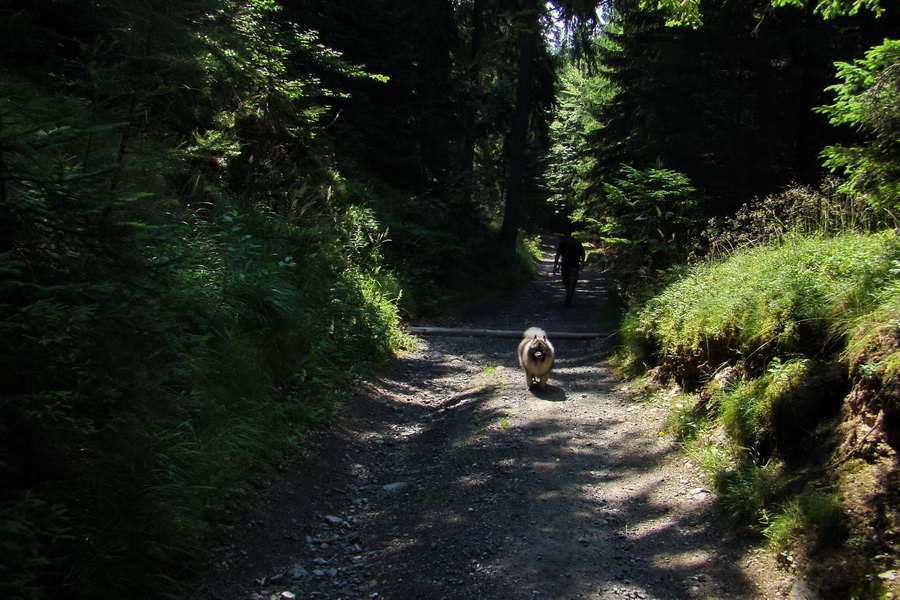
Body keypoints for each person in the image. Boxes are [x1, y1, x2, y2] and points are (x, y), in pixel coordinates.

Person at [553, 235, 585, 307]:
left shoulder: (564, 243)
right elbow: (583, 254)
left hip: (566, 265)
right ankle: (569, 298)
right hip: (573, 265)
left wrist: (555, 266)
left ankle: (568, 298)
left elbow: (558, 255)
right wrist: (582, 263)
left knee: (568, 283)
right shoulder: (577, 243)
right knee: (571, 283)